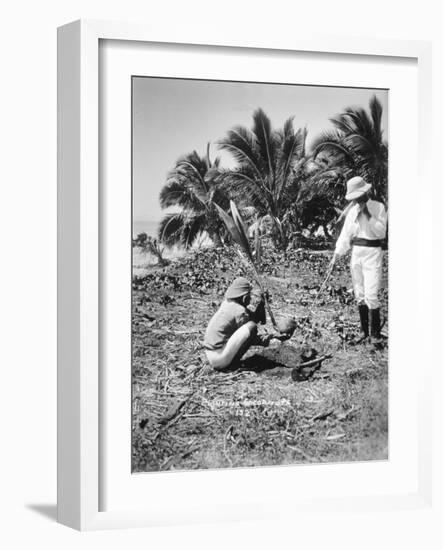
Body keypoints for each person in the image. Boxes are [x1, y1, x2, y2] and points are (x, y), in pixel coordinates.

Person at [329, 176, 387, 344]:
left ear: (365, 193)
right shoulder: (352, 212)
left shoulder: (378, 207)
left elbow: (381, 233)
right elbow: (345, 236)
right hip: (357, 253)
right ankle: (364, 332)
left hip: (373, 253)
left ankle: (375, 334)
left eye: (358, 196)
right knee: (359, 294)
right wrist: (336, 256)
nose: (355, 200)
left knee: (371, 294)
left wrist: (367, 214)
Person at [203, 277, 282, 371]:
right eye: (249, 296)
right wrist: (272, 338)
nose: (250, 299)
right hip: (220, 359)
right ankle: (232, 364)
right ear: (244, 298)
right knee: (251, 327)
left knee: (250, 326)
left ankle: (229, 361)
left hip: (210, 354)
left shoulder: (227, 304)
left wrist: (261, 303)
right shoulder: (240, 311)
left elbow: (251, 318)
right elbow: (252, 336)